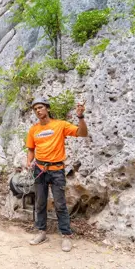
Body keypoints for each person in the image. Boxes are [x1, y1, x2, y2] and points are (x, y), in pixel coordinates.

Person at [26, 97, 88, 252]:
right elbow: (31, 149)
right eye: (35, 109)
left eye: (40, 107)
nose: (38, 111)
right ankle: (41, 232)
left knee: (60, 204)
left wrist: (80, 117)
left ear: (47, 108)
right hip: (39, 170)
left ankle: (66, 236)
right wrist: (28, 162)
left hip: (57, 170)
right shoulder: (34, 129)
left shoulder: (60, 125)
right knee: (40, 202)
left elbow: (82, 133)